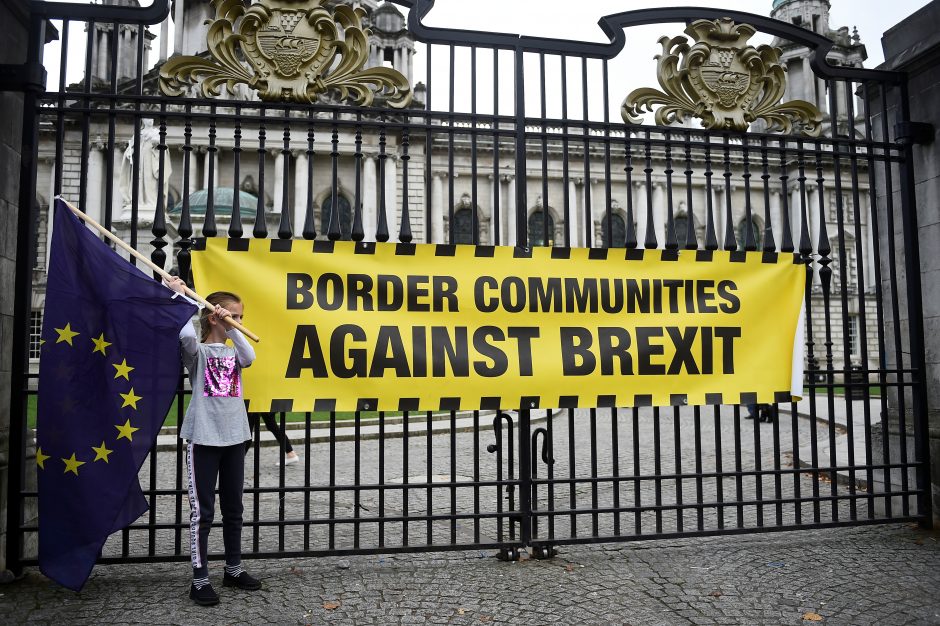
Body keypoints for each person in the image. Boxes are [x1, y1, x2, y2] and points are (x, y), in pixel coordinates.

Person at [165, 277, 262, 606]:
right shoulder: (198, 353)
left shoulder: (236, 352)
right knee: (202, 513)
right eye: (236, 316)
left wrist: (232, 326)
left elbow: (250, 356)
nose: (240, 322)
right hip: (203, 437)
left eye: (241, 317)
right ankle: (200, 578)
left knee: (234, 507)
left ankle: (233, 569)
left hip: (235, 437)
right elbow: (185, 335)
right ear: (214, 316)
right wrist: (182, 298)